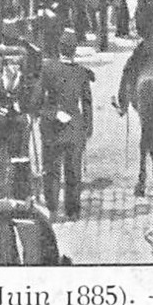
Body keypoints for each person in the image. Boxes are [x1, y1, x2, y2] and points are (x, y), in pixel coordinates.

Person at [38, 28, 94, 217]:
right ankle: (72, 210)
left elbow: (37, 100)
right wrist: (87, 127)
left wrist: (52, 113)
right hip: (74, 126)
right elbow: (87, 102)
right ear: (75, 49)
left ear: (59, 48)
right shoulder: (82, 73)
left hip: (52, 126)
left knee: (51, 170)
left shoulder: (46, 69)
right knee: (73, 170)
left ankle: (52, 208)